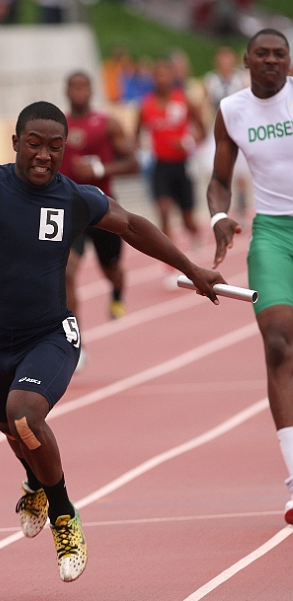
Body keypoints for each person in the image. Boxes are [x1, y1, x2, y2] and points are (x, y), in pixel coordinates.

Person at [0, 101, 225, 581]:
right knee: (13, 430)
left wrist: (192, 270)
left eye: (55, 147)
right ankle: (35, 482)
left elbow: (132, 225)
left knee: (24, 414)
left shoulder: (74, 197)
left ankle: (64, 514)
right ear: (15, 144)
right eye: (34, 144)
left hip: (50, 333)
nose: (44, 156)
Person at [207, 29, 293, 525]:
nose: (271, 61)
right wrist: (220, 217)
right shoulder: (232, 110)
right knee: (279, 343)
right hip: (274, 233)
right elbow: (220, 181)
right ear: (246, 61)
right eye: (262, 54)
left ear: (288, 62)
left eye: (279, 54)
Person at [59, 71, 139, 328]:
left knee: (111, 270)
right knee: (67, 271)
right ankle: (74, 337)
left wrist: (99, 170)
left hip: (103, 207)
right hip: (70, 208)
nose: (78, 91)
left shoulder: (107, 123)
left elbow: (133, 163)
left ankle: (117, 293)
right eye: (74, 87)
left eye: (83, 86)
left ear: (92, 91)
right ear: (66, 91)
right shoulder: (58, 126)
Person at [136, 58, 206, 255]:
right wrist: (138, 149)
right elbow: (135, 135)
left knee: (187, 220)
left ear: (171, 77)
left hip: (183, 165)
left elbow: (203, 132)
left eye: (165, 74)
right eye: (157, 75)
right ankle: (169, 260)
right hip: (160, 165)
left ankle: (195, 234)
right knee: (164, 211)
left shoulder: (184, 100)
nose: (161, 79)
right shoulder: (146, 105)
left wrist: (187, 141)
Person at [202, 46, 250, 226]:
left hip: (237, 129)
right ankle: (220, 211)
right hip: (218, 129)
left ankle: (242, 210)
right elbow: (206, 105)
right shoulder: (211, 80)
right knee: (214, 171)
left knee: (240, 175)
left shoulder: (241, 78)